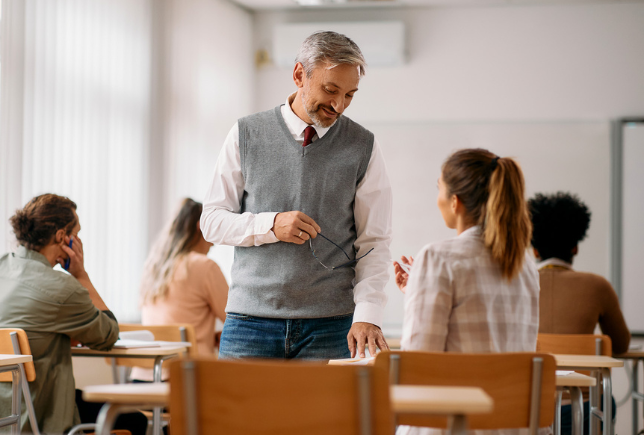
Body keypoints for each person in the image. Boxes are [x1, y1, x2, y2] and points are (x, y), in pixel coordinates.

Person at [201, 31, 393, 360]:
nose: (338, 105)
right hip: (250, 322)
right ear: (299, 75)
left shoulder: (363, 146)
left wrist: (367, 315)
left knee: (328, 415)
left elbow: (373, 241)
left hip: (332, 326)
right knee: (233, 414)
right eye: (330, 90)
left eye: (349, 95)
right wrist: (270, 224)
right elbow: (212, 221)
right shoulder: (246, 134)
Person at [0, 194, 147, 435]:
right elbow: (109, 334)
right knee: (135, 419)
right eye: (77, 233)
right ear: (63, 236)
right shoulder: (62, 288)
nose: (79, 240)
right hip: (39, 419)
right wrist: (81, 275)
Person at [394, 148, 539, 435]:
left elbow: (419, 364)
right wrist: (419, 293)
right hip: (510, 424)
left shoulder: (438, 257)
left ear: (455, 202)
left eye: (439, 189)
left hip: (453, 423)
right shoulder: (526, 264)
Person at [529, 191, 630, 435]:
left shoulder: (518, 284)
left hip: (530, 407)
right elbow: (620, 344)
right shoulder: (598, 286)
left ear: (534, 250)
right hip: (587, 409)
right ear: (574, 247)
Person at [137, 198, 228, 375]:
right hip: (186, 380)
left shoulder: (153, 266)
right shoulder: (204, 266)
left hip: (145, 376)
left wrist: (208, 336)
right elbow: (238, 320)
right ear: (201, 226)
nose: (214, 242)